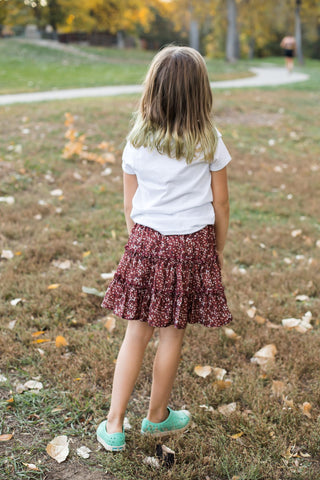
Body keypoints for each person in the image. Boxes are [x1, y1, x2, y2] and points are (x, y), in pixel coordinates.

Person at [96, 45, 233, 452]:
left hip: (146, 241)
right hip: (192, 246)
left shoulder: (137, 139)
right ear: (200, 93)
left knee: (135, 333)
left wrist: (137, 244)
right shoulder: (209, 139)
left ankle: (114, 424)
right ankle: (156, 418)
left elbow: (129, 203)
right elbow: (221, 202)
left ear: (152, 89)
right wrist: (216, 250)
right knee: (172, 334)